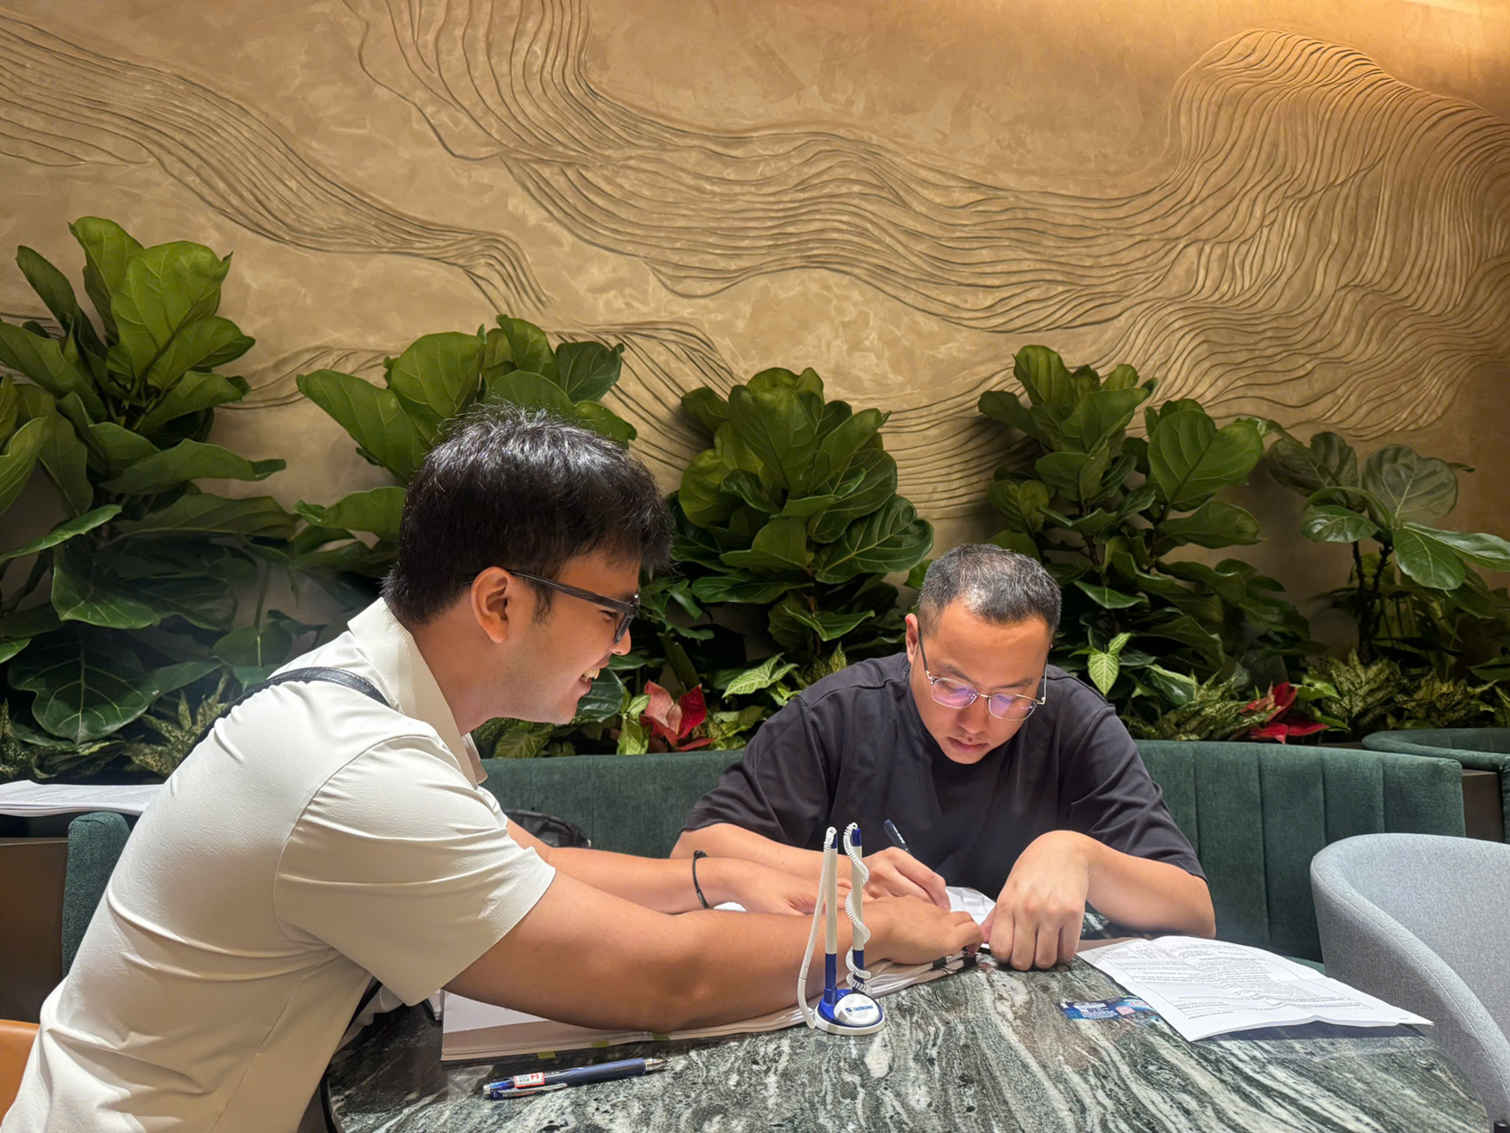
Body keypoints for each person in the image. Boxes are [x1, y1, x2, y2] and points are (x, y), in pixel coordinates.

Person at [4, 408, 980, 1133]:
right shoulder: (355, 770)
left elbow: (517, 860)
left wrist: (718, 874)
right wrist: (876, 931)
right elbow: (664, 979)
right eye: (613, 611)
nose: (623, 644)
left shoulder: (375, 686)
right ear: (500, 601)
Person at [674, 544, 1215, 971]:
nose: (976, 723)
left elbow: (1195, 913)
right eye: (952, 687)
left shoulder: (1074, 719)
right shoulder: (838, 713)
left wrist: (1081, 857)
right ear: (913, 641)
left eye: (1012, 697)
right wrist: (844, 872)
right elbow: (695, 850)